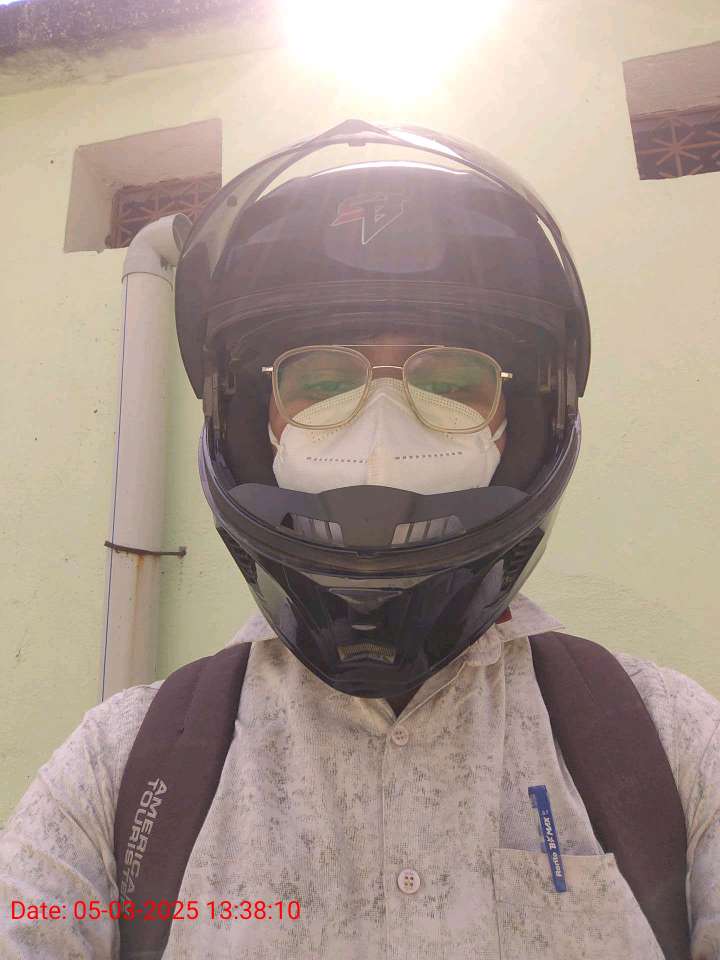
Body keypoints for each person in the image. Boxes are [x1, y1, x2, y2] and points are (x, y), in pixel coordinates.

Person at [1, 119, 719, 960]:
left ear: (516, 423)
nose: (380, 430)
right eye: (320, 380)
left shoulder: (671, 742)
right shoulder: (120, 766)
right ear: (259, 423)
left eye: (450, 378)